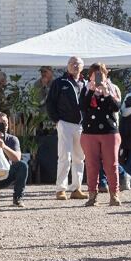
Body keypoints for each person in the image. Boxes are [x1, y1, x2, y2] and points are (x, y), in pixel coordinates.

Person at [77, 62, 124, 206]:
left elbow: (116, 107)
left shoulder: (112, 88)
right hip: (90, 132)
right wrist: (91, 90)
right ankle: (92, 195)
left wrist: (106, 92)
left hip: (109, 132)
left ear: (106, 75)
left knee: (111, 165)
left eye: (100, 74)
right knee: (91, 165)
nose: (97, 77)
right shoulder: (86, 88)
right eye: (94, 74)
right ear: (89, 76)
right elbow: (82, 107)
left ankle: (114, 195)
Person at [46, 57, 86, 200]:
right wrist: (57, 120)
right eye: (72, 63)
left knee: (79, 158)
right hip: (65, 124)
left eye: (77, 63)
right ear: (67, 66)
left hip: (81, 126)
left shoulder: (85, 83)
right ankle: (61, 189)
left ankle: (76, 188)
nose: (74, 65)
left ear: (82, 66)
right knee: (64, 156)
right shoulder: (59, 82)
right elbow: (50, 103)